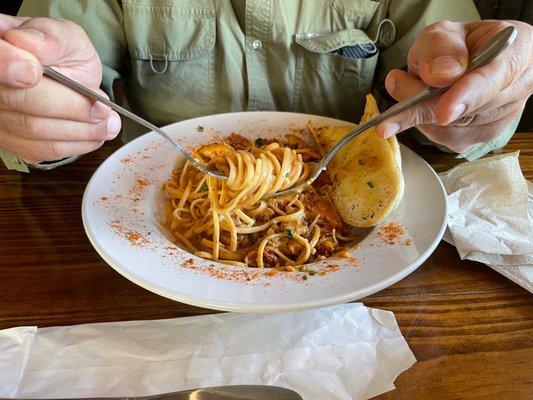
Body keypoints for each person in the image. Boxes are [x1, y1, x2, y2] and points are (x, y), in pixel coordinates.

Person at [0, 0, 531, 172]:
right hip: (139, 225)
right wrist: (38, 109)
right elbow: (54, 84)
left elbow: (447, 94)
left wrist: (474, 111)